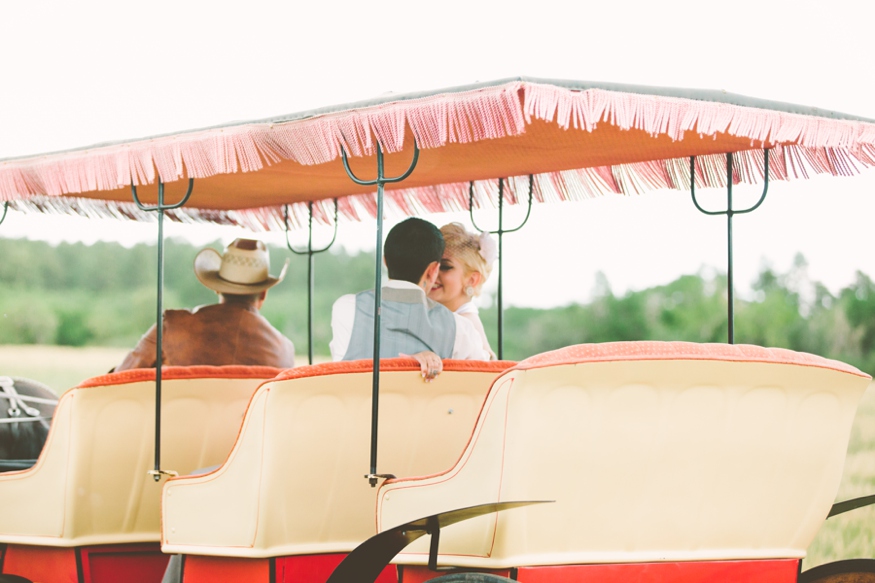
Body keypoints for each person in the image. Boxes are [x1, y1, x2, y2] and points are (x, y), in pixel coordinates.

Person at [330, 217, 489, 381]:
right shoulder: (459, 328)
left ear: (385, 261)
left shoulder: (346, 307)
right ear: (432, 270)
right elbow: (483, 379)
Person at [115, 238, 295, 371]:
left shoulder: (171, 327)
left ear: (217, 288)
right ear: (263, 294)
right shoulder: (285, 351)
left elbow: (119, 378)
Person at [428, 223, 497, 360]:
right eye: (430, 264)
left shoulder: (462, 326)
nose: (433, 273)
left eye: (445, 267)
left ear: (472, 280)